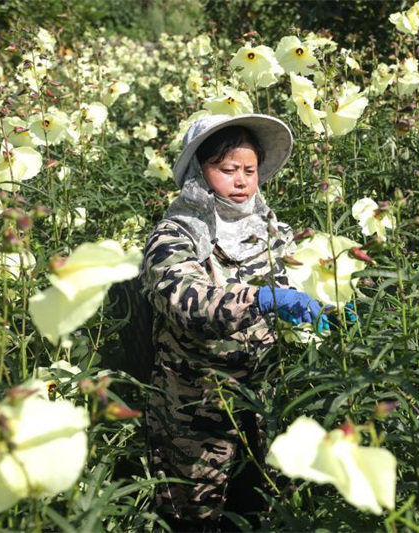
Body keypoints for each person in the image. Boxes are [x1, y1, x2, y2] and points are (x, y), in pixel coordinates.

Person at [140, 114, 329, 531]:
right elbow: (189, 305)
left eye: (250, 171)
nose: (241, 181)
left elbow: (301, 282)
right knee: (192, 519)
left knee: (258, 511)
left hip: (262, 406)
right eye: (227, 170)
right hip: (196, 411)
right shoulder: (174, 235)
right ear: (199, 172)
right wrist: (260, 297)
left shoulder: (270, 230)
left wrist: (328, 306)